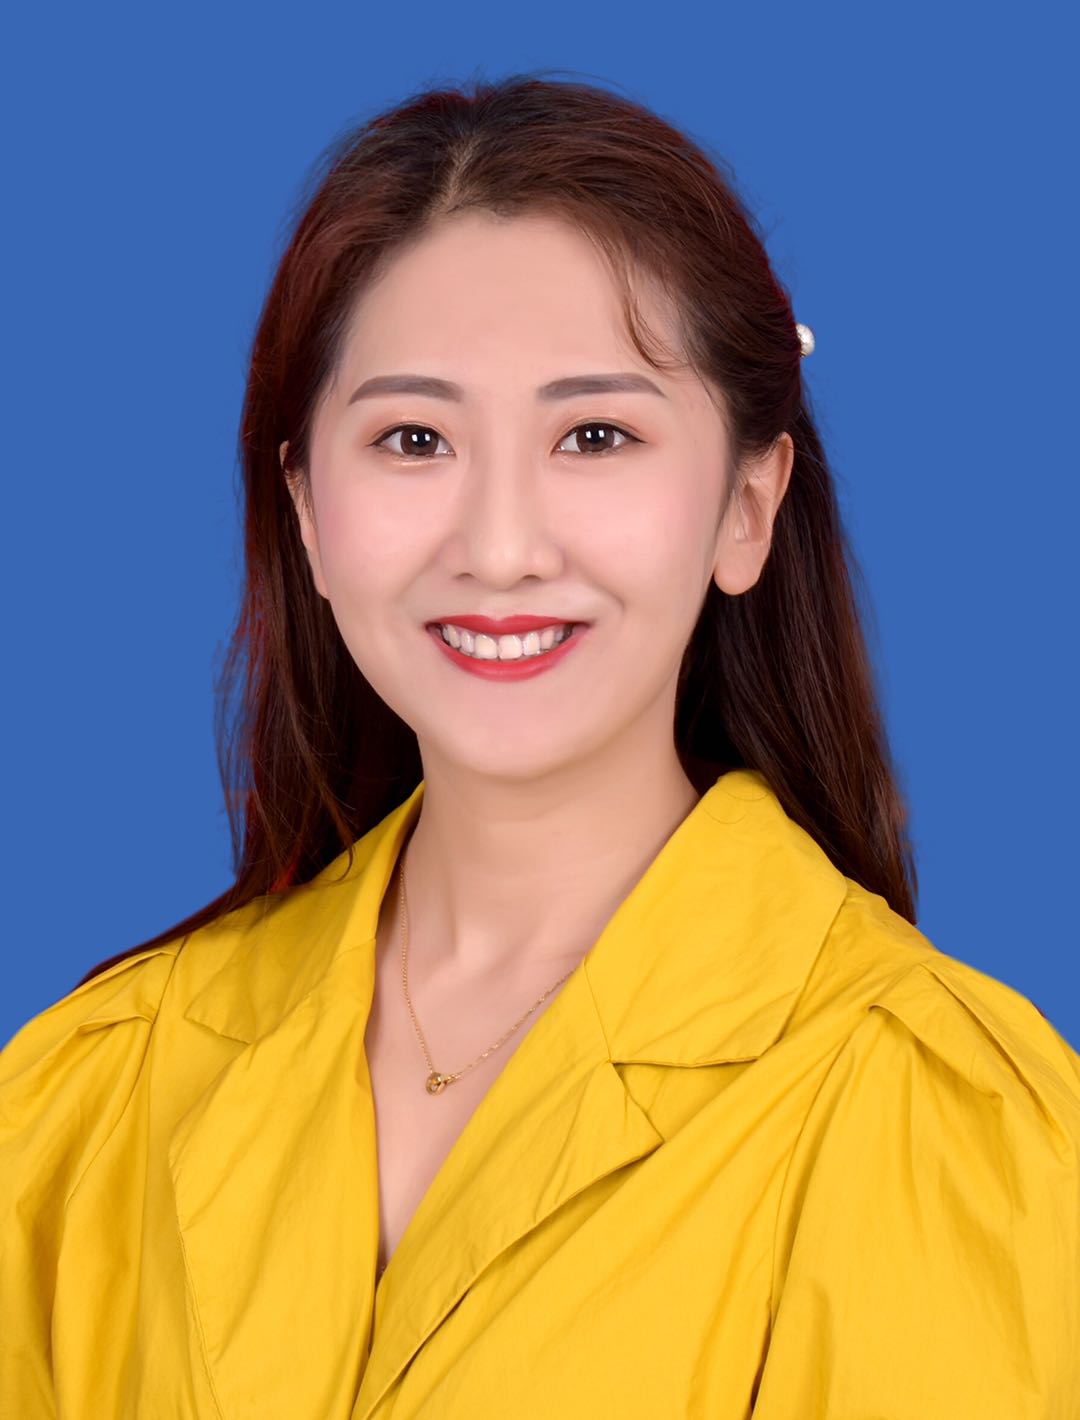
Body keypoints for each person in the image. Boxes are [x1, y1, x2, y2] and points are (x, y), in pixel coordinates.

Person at [2, 71, 1077, 1420]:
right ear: (309, 513)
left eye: (595, 435)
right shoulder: (92, 1092)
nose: (501, 548)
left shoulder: (926, 1114)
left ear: (747, 507)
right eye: (413, 439)